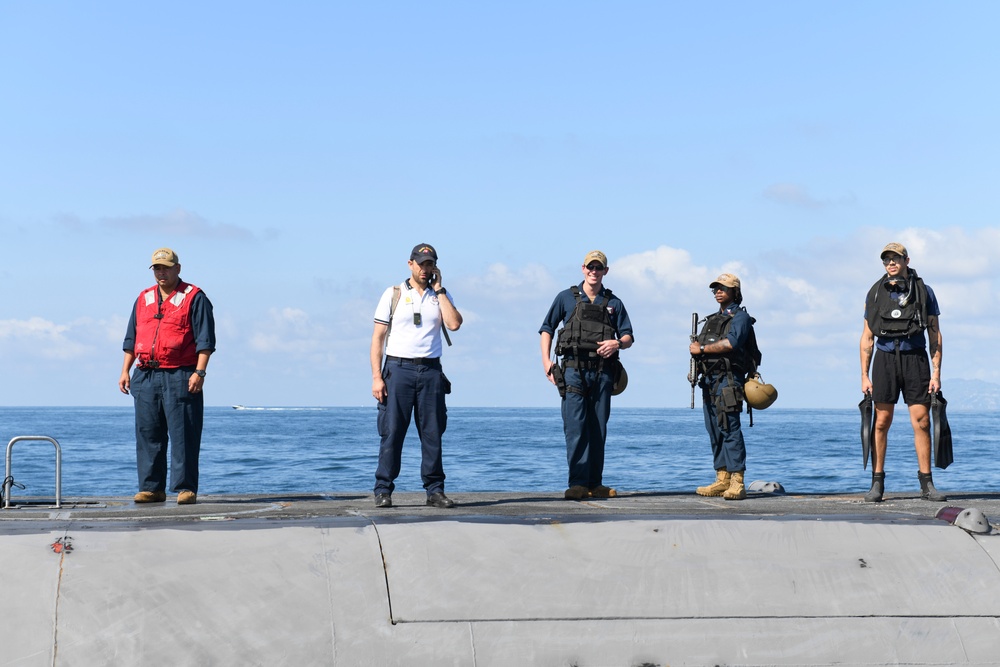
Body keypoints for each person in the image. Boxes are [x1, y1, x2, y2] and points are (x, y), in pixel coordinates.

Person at [119, 248, 216, 505]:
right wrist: (125, 370)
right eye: (157, 269)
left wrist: (200, 372)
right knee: (148, 433)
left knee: (184, 433)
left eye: (166, 267)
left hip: (181, 374)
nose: (161, 273)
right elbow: (131, 339)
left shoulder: (195, 297)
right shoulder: (143, 298)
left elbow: (205, 341)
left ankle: (185, 488)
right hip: (146, 375)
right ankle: (152, 488)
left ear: (178, 268)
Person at [370, 243, 463, 508]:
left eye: (430, 264)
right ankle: (383, 490)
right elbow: (377, 339)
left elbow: (454, 324)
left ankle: (435, 490)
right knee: (392, 432)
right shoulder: (393, 294)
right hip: (398, 369)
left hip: (431, 370)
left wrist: (440, 290)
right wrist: (377, 377)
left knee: (433, 433)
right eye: (421, 264)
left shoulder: (439, 295)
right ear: (410, 264)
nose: (426, 269)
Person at [540, 250, 634, 500]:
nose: (594, 271)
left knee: (598, 427)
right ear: (583, 269)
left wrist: (617, 344)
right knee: (576, 427)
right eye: (590, 267)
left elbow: (628, 336)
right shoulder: (566, 298)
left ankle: (596, 482)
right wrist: (546, 361)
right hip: (573, 370)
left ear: (606, 271)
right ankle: (578, 483)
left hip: (603, 372)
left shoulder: (614, 303)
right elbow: (546, 328)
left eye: (599, 267)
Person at [860, 242, 944, 502]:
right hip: (884, 360)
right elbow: (866, 337)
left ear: (906, 260)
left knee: (922, 421)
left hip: (915, 359)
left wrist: (936, 372)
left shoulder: (924, 292)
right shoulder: (874, 293)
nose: (891, 263)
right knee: (881, 422)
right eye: (886, 260)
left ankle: (927, 484)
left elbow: (935, 334)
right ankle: (877, 484)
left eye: (895, 259)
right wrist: (864, 375)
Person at [689, 273, 755, 501]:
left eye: (723, 288)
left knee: (729, 427)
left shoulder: (740, 318)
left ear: (735, 291)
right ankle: (722, 477)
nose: (718, 291)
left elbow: (731, 343)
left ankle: (737, 480)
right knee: (714, 429)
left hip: (728, 379)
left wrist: (703, 351)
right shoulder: (712, 319)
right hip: (709, 380)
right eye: (716, 288)